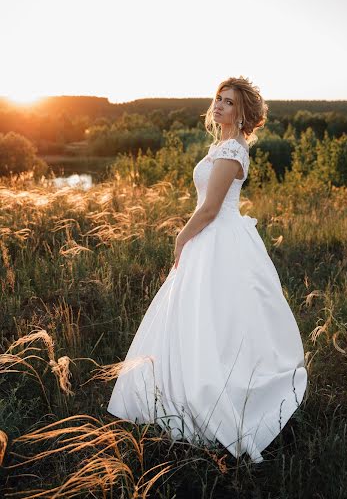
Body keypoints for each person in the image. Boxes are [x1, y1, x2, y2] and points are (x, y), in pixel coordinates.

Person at [107, 76, 308, 463]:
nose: (219, 105)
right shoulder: (220, 145)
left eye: (229, 102)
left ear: (242, 112)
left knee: (220, 316)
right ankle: (182, 386)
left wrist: (182, 236)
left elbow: (212, 207)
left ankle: (218, 390)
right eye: (218, 98)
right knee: (198, 314)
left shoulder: (232, 148)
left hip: (219, 239)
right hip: (212, 238)